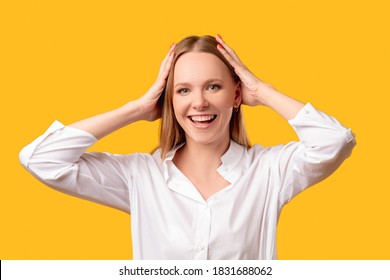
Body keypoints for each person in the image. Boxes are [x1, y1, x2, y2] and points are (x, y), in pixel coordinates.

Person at [19, 34, 356, 260]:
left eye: (213, 87)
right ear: (169, 100)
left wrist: (262, 90)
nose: (199, 103)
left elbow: (334, 141)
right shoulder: (140, 176)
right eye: (183, 90)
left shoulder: (269, 170)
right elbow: (41, 159)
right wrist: (136, 109)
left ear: (236, 95)